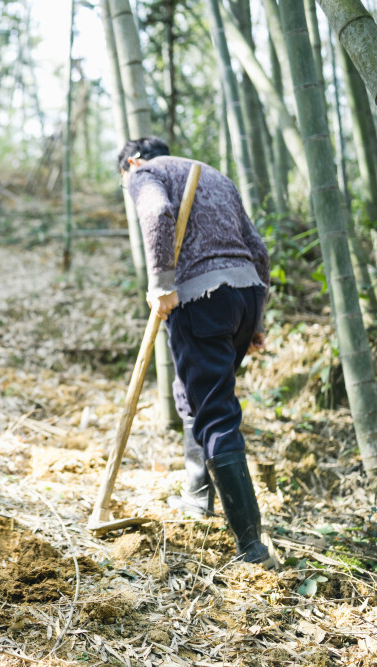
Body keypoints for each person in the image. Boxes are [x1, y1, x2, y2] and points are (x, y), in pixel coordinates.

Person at [118, 137, 276, 567]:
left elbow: (156, 211)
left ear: (131, 162)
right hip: (244, 295)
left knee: (215, 412)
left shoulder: (143, 173)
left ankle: (252, 545)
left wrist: (161, 284)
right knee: (194, 396)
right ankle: (197, 499)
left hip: (201, 299)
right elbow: (258, 250)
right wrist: (256, 319)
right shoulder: (215, 175)